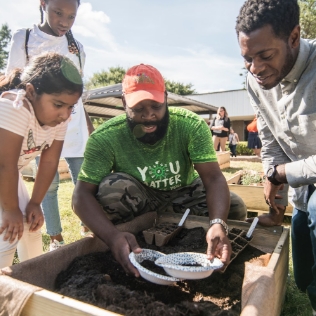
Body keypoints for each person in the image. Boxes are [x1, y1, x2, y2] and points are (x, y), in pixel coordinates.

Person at [73, 64, 248, 277]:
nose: (148, 116)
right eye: (138, 109)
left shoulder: (189, 125)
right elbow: (81, 196)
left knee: (235, 207)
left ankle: (215, 243)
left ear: (165, 98)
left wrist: (217, 223)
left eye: (156, 106)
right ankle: (128, 240)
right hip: (140, 200)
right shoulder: (105, 138)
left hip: (182, 194)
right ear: (123, 103)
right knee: (112, 189)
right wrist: (111, 236)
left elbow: (212, 178)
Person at [236, 0, 316, 312]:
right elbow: (269, 138)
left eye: (265, 56)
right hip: (302, 180)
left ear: (294, 37)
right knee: (303, 264)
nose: (255, 68)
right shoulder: (255, 82)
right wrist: (272, 174)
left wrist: (280, 174)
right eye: (247, 59)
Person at [6, 0, 94, 250]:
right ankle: (55, 237)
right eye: (58, 12)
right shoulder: (23, 38)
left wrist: (86, 125)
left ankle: (89, 227)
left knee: (83, 181)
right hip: (35, 124)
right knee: (50, 183)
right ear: (43, 4)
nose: (64, 22)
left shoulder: (77, 47)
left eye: (71, 17)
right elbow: (14, 82)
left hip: (69, 124)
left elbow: (79, 93)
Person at [0, 52, 83, 269]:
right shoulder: (14, 107)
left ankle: (35, 284)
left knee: (30, 228)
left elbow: (49, 162)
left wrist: (35, 203)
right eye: (58, 105)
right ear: (30, 91)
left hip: (8, 174)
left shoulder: (60, 119)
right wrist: (10, 209)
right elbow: (4, 165)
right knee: (7, 235)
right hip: (4, 170)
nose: (65, 114)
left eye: (70, 107)